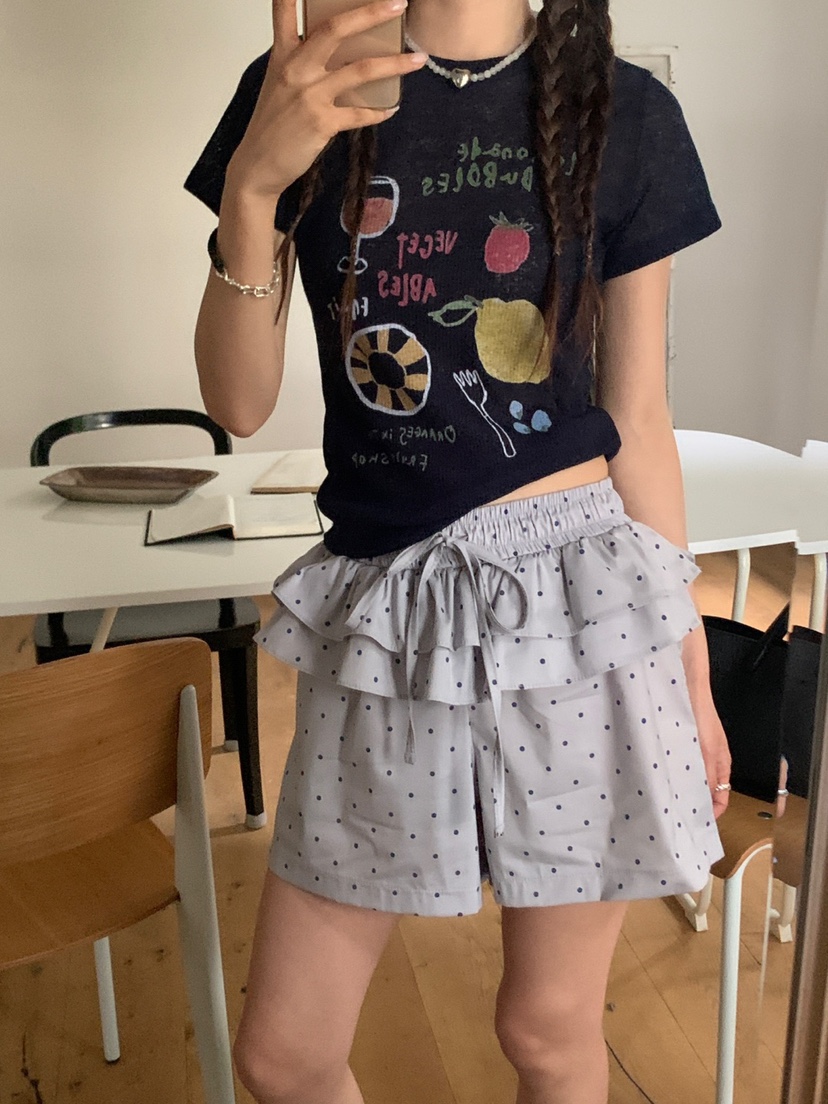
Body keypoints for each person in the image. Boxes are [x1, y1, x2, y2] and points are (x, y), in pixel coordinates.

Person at [184, 0, 731, 1100]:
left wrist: (692, 666)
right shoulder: (300, 83)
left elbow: (639, 412)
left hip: (575, 599)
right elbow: (238, 406)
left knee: (547, 1030)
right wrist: (251, 190)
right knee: (284, 1055)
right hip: (386, 605)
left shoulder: (624, 111)